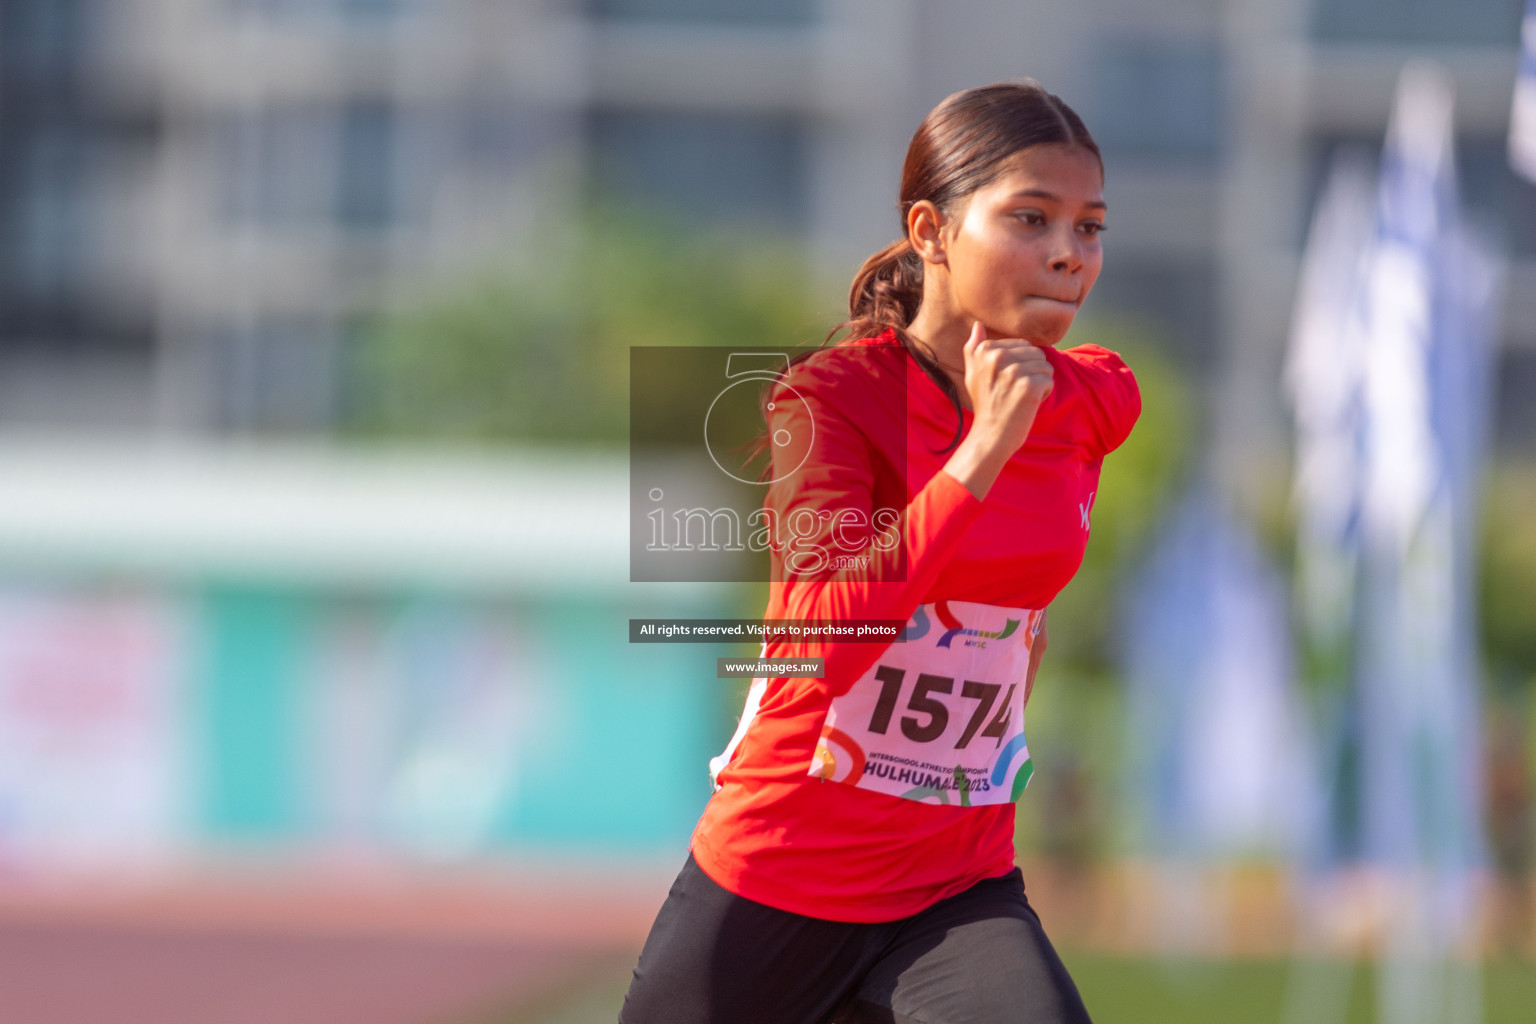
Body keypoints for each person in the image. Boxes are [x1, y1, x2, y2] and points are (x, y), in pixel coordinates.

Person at [620, 80, 1140, 1024]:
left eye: (1090, 228)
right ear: (931, 230)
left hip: (954, 885)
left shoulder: (1090, 400)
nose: (1068, 254)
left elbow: (1032, 555)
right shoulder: (830, 401)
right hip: (778, 876)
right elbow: (824, 644)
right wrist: (983, 450)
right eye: (1032, 218)